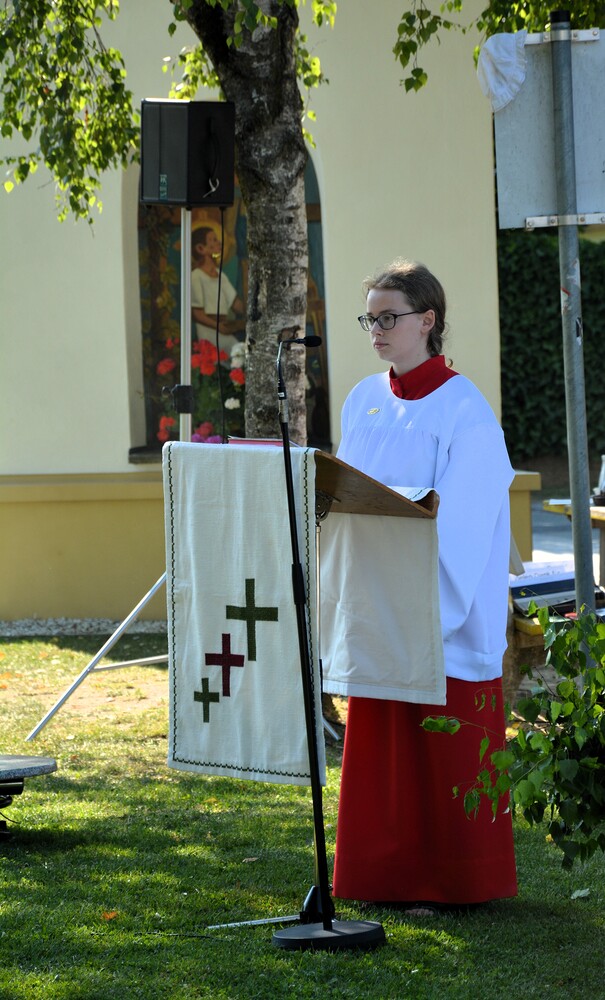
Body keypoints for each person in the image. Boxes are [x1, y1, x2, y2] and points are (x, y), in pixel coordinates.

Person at [331, 258, 518, 913]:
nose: (377, 331)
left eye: (389, 317)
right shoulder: (362, 399)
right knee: (386, 753)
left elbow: (468, 520)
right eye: (370, 320)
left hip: (439, 607)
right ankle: (379, 875)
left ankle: (453, 881)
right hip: (377, 598)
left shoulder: (465, 411)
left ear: (427, 320)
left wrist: (426, 612)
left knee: (441, 752)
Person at [191, 226, 245, 355]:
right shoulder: (196, 276)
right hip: (208, 331)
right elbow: (198, 314)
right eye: (213, 240)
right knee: (237, 355)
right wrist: (218, 327)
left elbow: (236, 305)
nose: (218, 243)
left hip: (223, 328)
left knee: (240, 354)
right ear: (200, 248)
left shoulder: (220, 275)